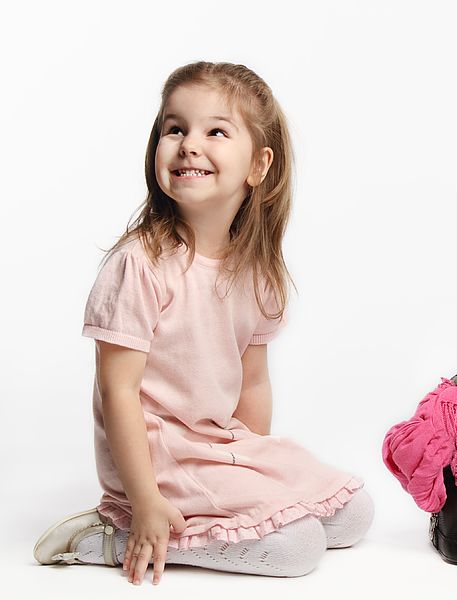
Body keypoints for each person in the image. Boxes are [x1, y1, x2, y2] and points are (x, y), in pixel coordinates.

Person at [32, 61, 373, 585]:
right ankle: (115, 536)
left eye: (215, 131)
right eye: (175, 129)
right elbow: (117, 393)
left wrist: (252, 473)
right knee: (297, 547)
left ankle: (219, 512)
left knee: (353, 514)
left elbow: (253, 379)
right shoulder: (141, 264)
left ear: (258, 165)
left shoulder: (256, 270)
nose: (189, 144)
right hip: (159, 453)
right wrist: (144, 499)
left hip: (217, 444)